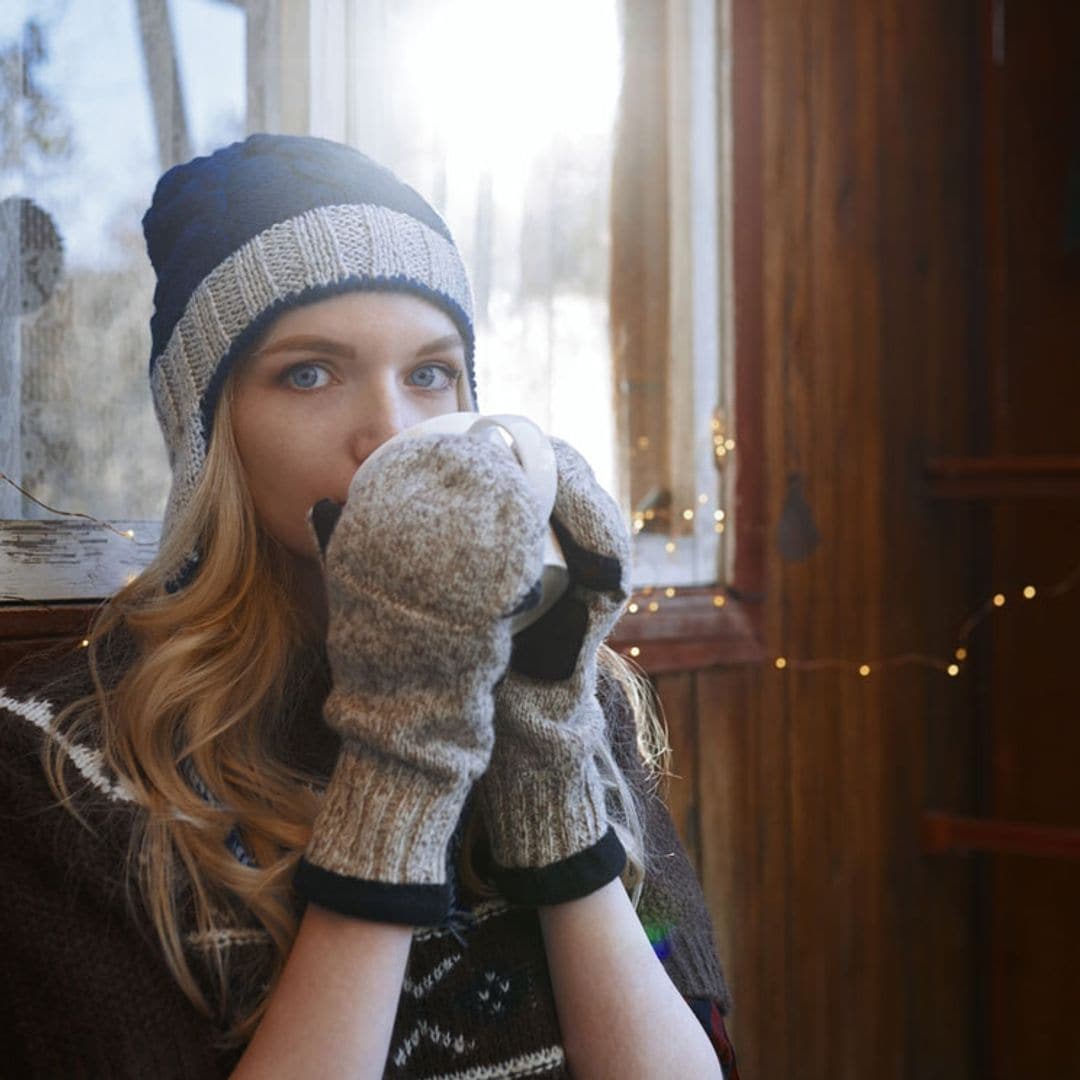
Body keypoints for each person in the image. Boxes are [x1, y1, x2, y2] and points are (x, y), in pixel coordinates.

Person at [0, 133, 738, 1079]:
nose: (391, 432)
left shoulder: (566, 691)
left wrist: (543, 751)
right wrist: (399, 761)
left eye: (430, 374)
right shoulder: (62, 765)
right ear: (210, 436)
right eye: (309, 373)